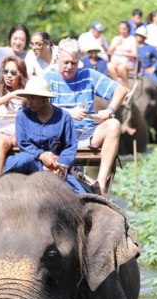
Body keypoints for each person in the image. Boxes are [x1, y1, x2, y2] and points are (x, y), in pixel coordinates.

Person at [45, 38, 128, 196]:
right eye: (66, 62)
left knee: (114, 124)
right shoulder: (49, 77)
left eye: (73, 63)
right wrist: (67, 113)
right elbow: (40, 108)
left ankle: (100, 182)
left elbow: (121, 91)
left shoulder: (88, 75)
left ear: (79, 61)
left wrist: (109, 109)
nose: (69, 67)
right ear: (58, 59)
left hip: (86, 133)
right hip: (57, 136)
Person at [3, 77, 84, 192]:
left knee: (80, 193)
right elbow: (23, 143)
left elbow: (70, 146)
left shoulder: (64, 117)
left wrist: (60, 164)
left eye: (33, 98)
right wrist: (41, 156)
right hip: (33, 161)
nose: (29, 101)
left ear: (45, 98)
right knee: (21, 160)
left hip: (56, 164)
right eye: (28, 97)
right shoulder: (23, 115)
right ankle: (0, 181)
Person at [0, 55, 29, 178]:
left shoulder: (26, 91)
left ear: (21, 74)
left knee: (17, 140)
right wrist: (10, 96)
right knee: (3, 142)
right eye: (5, 71)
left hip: (18, 131)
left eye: (13, 72)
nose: (8, 75)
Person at [107, 20, 137, 87]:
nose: (122, 31)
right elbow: (109, 51)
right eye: (120, 29)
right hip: (115, 61)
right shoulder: (116, 38)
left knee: (121, 67)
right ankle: (118, 83)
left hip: (127, 62)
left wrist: (124, 54)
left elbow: (134, 54)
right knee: (109, 66)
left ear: (128, 29)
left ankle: (127, 86)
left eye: (124, 29)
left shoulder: (132, 39)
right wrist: (116, 44)